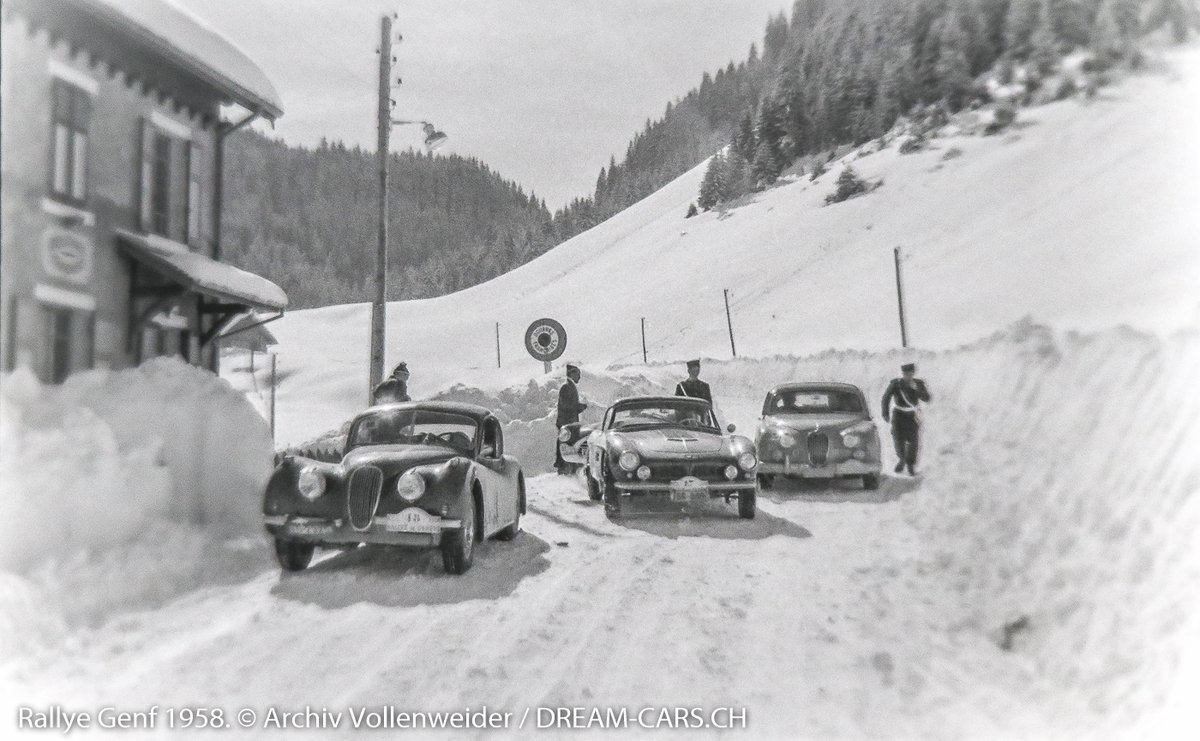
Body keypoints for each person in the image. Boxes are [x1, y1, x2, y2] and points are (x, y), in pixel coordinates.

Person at [881, 362, 931, 475]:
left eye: (909, 373)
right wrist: (885, 413)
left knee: (913, 442)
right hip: (898, 415)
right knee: (898, 440)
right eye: (905, 373)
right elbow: (886, 398)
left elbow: (927, 398)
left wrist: (917, 389)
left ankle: (910, 464)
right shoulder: (896, 384)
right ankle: (902, 459)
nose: (907, 376)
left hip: (912, 416)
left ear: (913, 373)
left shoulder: (919, 383)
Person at [554, 363, 587, 475]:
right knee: (566, 446)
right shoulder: (566, 387)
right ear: (571, 373)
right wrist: (579, 407)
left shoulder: (569, 386)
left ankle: (569, 468)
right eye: (578, 374)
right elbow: (566, 406)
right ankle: (564, 468)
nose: (579, 377)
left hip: (569, 423)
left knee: (570, 445)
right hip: (566, 424)